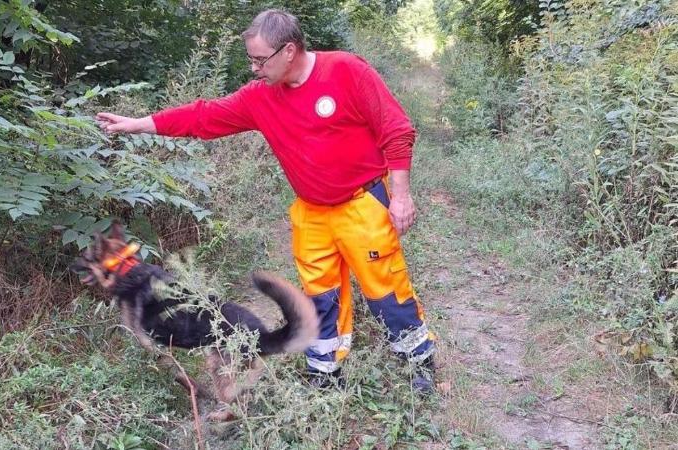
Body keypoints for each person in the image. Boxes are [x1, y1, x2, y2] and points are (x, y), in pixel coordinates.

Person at [95, 9, 436, 393]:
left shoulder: (346, 70)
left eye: (260, 60)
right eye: (250, 59)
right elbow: (205, 117)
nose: (254, 69)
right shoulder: (261, 97)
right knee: (320, 296)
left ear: (289, 50)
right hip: (311, 212)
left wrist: (401, 196)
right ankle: (325, 375)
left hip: (363, 204)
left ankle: (419, 364)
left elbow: (396, 129)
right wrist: (140, 123)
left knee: (384, 290)